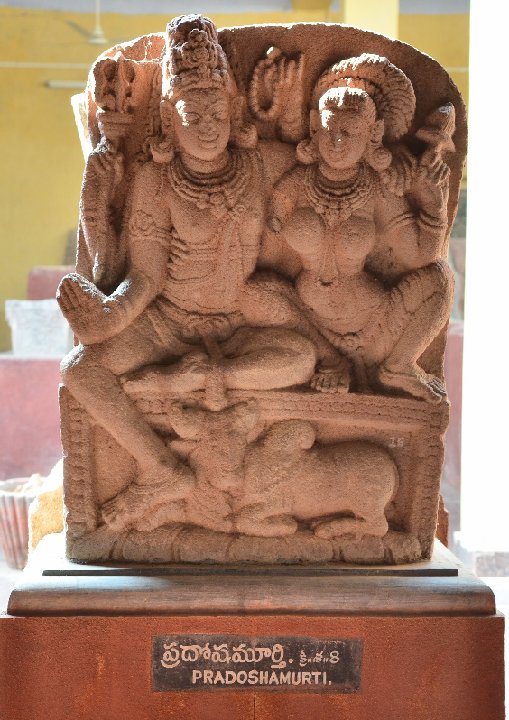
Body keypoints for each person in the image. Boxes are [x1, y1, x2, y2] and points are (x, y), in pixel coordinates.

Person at [57, 15, 319, 527]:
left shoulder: (258, 165)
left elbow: (311, 158)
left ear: (233, 111)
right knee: (81, 369)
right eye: (191, 113)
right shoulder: (155, 181)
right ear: (168, 118)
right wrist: (111, 318)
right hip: (167, 323)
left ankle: (196, 378)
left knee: (301, 358)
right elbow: (147, 278)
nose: (207, 125)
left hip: (238, 321)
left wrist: (283, 109)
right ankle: (160, 469)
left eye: (217, 111)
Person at [269, 55, 454, 402]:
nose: (337, 141)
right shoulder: (295, 183)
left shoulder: (378, 190)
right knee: (261, 292)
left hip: (374, 328)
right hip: (308, 324)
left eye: (350, 132)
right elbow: (267, 229)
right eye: (329, 130)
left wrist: (434, 206)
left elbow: (419, 256)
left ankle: (398, 365)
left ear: (374, 134)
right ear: (314, 127)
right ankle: (328, 359)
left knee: (439, 280)